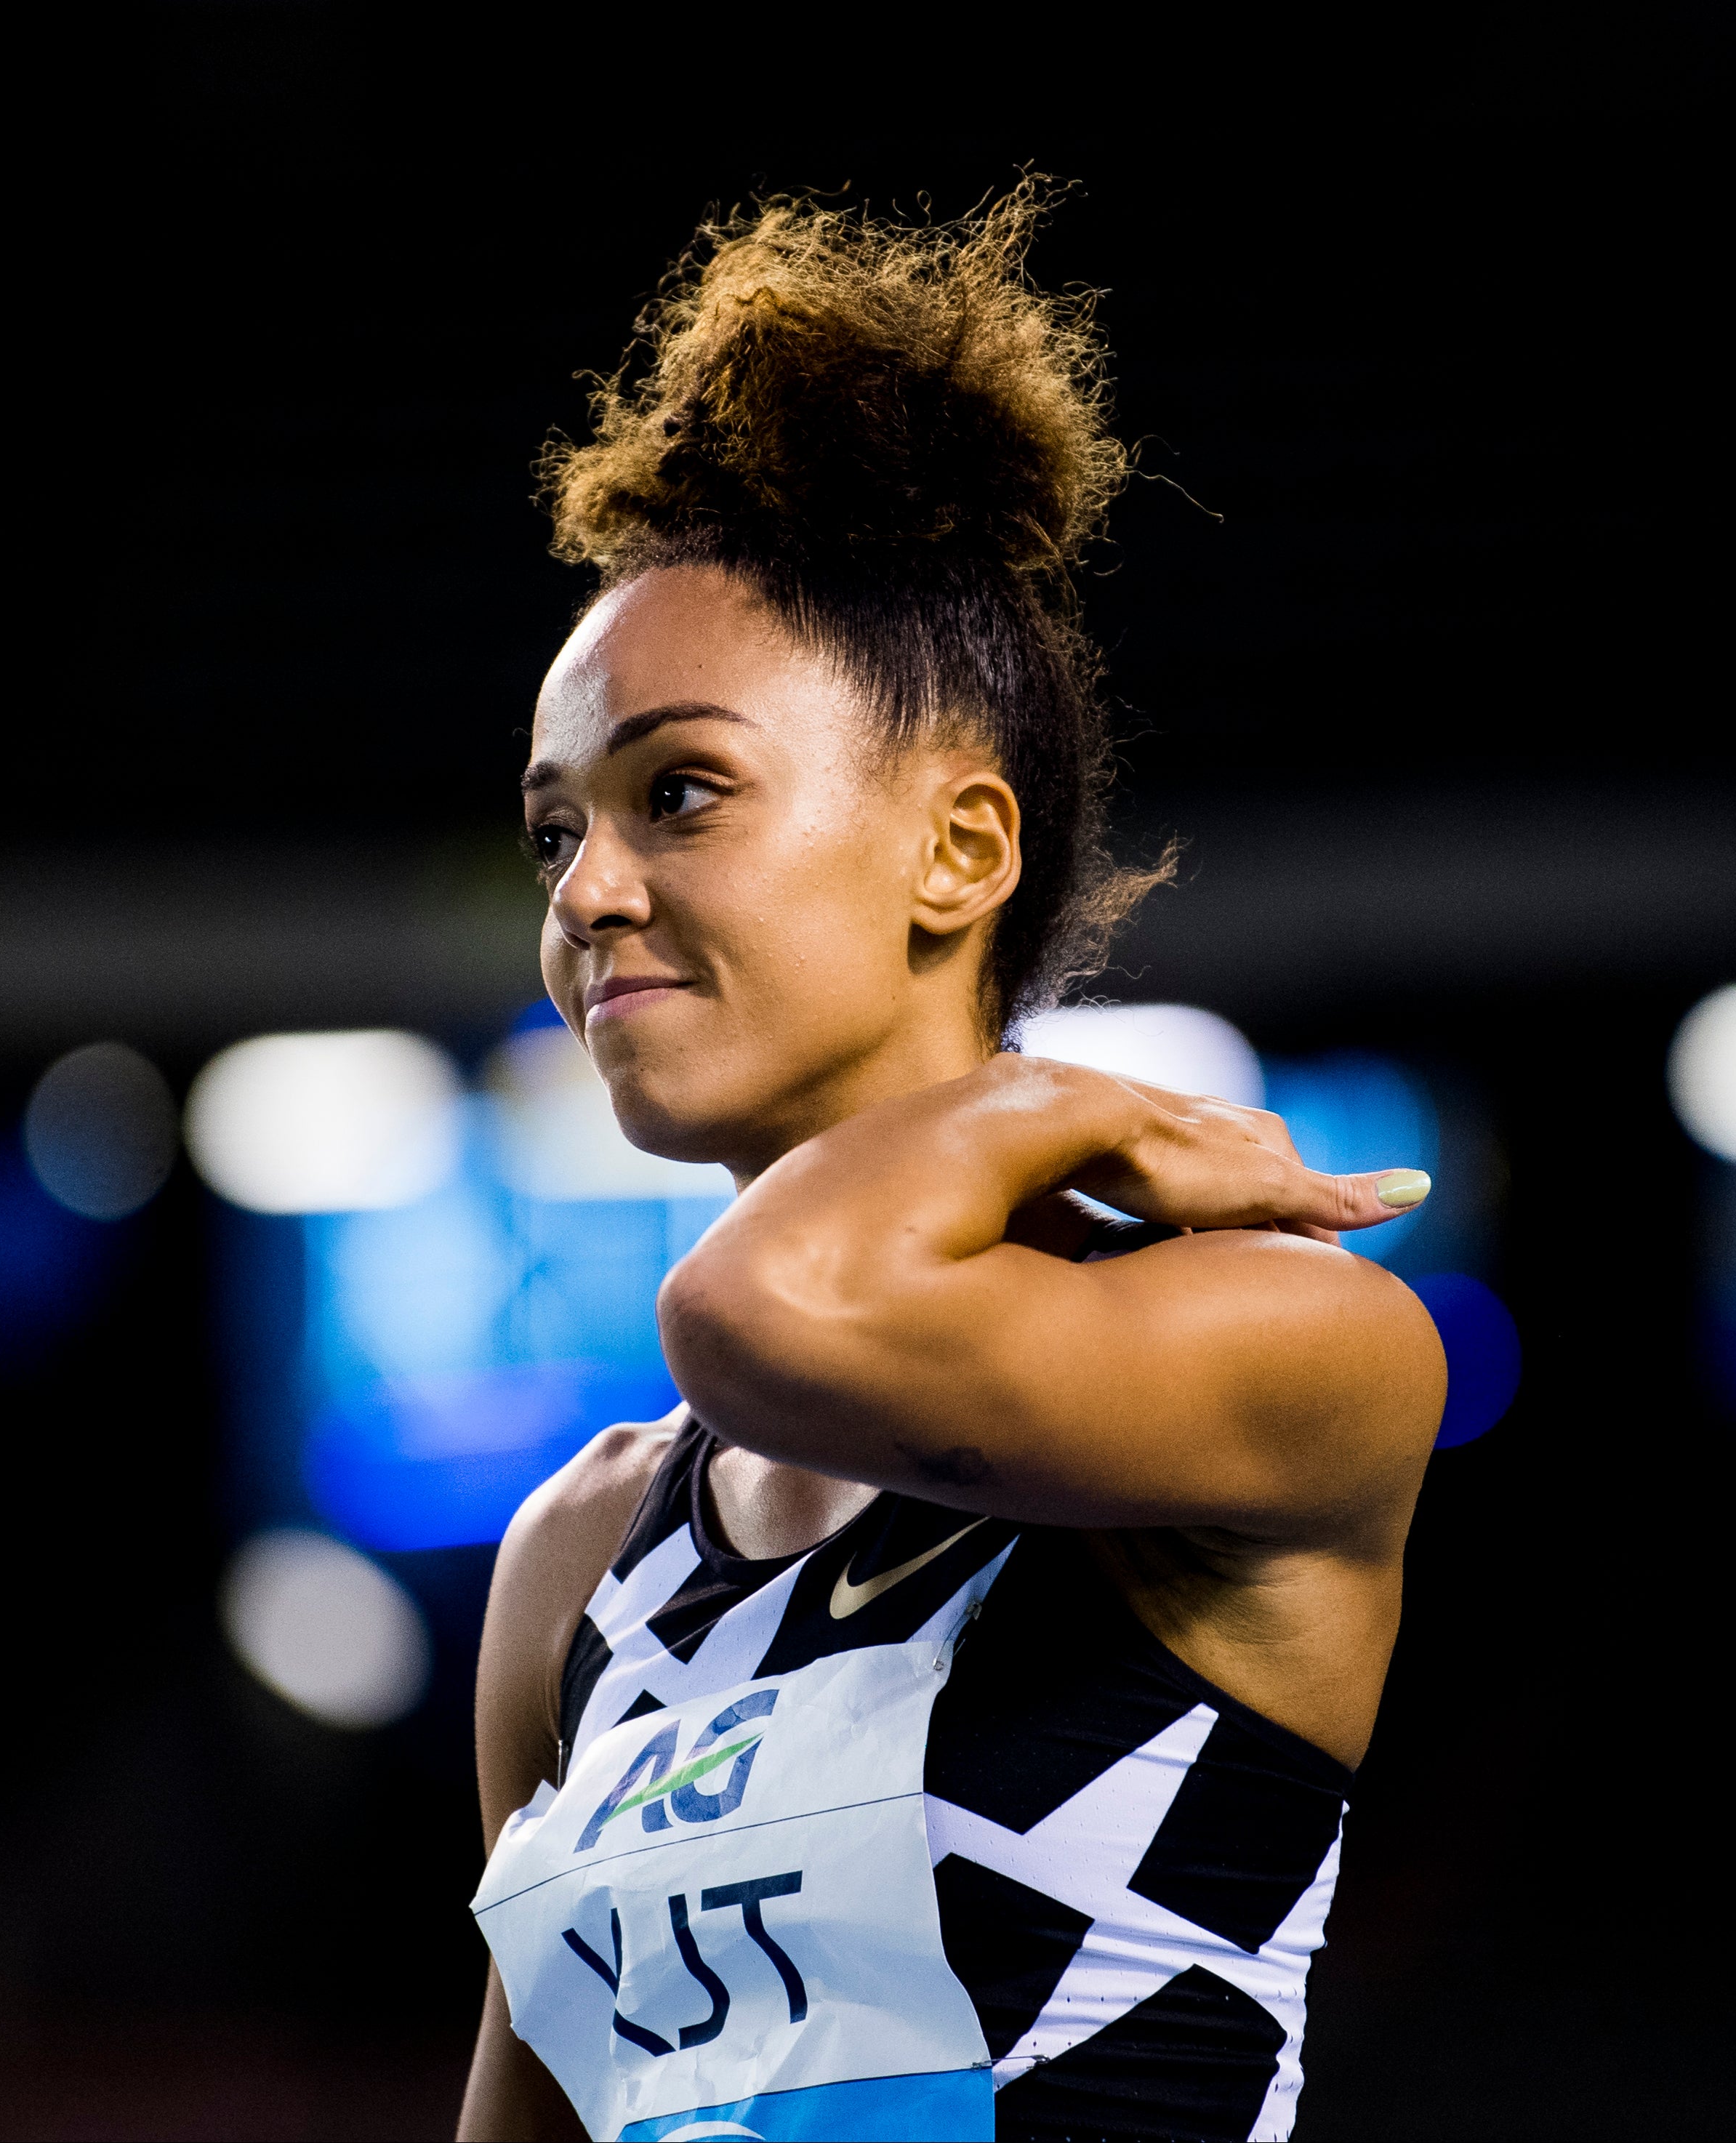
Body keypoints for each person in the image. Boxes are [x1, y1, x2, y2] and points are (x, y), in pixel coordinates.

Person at [457, 183, 1445, 2143]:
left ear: (959, 853)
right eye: (553, 828)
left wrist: (1025, 1099)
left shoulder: (1287, 1351)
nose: (587, 890)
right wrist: (1049, 1105)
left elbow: (757, 1309)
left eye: (679, 792)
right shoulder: (577, 1559)